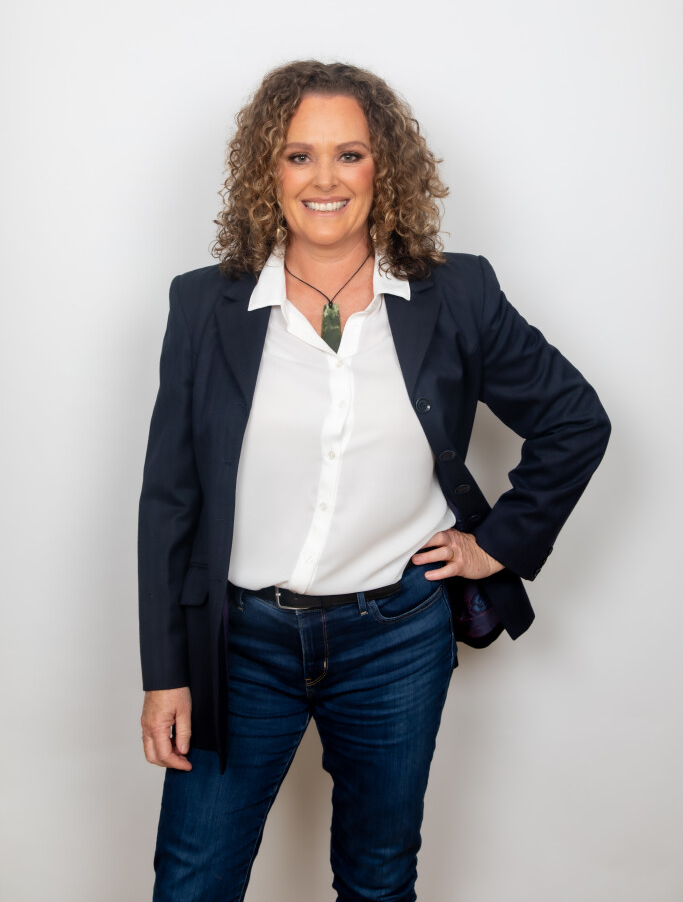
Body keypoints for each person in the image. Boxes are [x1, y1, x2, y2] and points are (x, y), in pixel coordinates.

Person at [138, 60, 610, 902]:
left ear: (383, 167)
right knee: (193, 880)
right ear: (267, 171)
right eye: (299, 155)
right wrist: (164, 673)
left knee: (378, 877)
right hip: (237, 644)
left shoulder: (457, 293)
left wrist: (495, 545)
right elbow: (171, 499)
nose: (324, 179)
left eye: (348, 155)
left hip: (394, 639)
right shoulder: (204, 306)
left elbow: (574, 419)